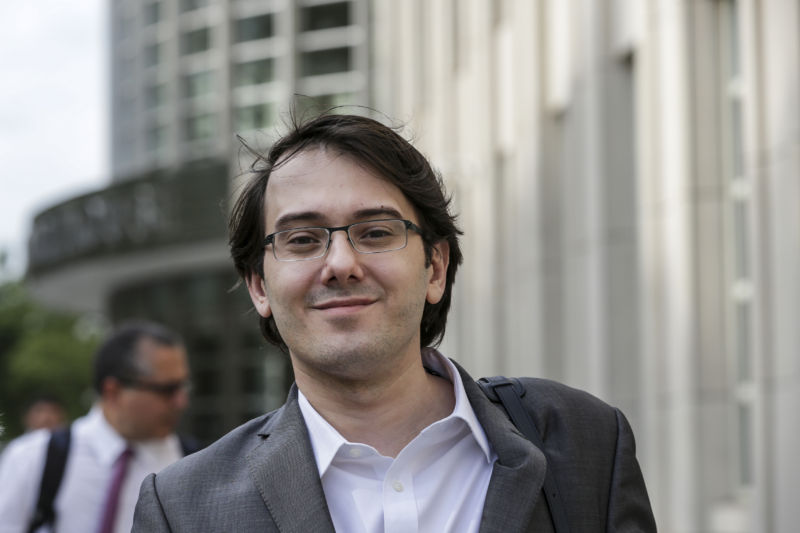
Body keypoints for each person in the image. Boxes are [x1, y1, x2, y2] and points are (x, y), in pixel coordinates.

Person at [132, 113, 657, 532]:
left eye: (377, 232)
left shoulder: (585, 444)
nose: (340, 264)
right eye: (301, 239)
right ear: (260, 286)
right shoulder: (183, 509)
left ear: (435, 267)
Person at [0, 321, 194, 533]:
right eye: (167, 390)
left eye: (183, 387)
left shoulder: (192, 464)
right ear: (113, 391)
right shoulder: (34, 457)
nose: (181, 402)